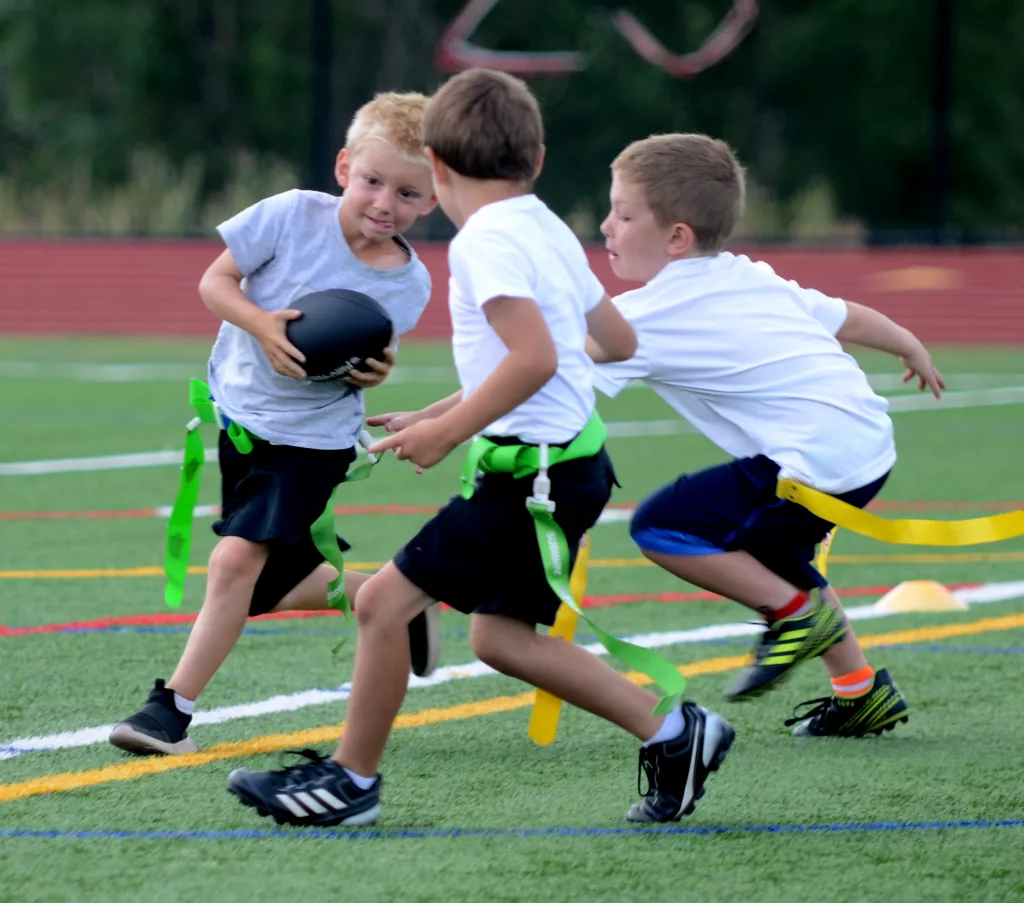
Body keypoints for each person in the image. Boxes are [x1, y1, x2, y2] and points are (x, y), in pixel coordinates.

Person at [226, 70, 736, 827]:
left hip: (526, 479)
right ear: (535, 157)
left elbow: (534, 359)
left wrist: (447, 431)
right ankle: (674, 730)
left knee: (381, 602)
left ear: (435, 165)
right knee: (500, 637)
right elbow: (612, 339)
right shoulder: (544, 225)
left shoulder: (484, 243)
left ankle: (350, 781)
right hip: (571, 465)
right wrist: (445, 405)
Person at [109, 92, 441, 757]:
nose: (384, 202)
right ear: (345, 166)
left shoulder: (411, 281)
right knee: (273, 581)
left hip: (313, 438)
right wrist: (261, 324)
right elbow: (216, 281)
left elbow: (375, 349)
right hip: (240, 420)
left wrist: (373, 372)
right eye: (373, 181)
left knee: (234, 562)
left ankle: (169, 709)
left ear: (431, 203)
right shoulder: (291, 215)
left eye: (407, 193)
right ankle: (394, 597)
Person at [590, 132, 945, 737]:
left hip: (814, 459)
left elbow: (538, 368)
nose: (605, 226)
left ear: (677, 236)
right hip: (866, 448)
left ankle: (791, 616)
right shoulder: (749, 276)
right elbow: (846, 315)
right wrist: (908, 341)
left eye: (623, 215)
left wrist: (441, 420)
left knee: (660, 527)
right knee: (774, 553)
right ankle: (861, 694)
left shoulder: (649, 315)